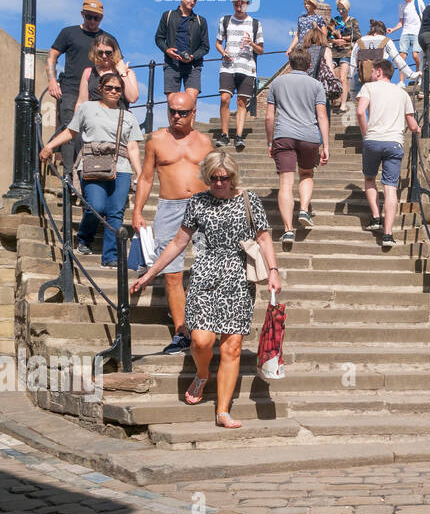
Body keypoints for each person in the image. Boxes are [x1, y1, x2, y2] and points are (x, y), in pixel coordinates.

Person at [130, 150, 281, 430]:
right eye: (213, 178)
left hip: (238, 278)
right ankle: (202, 374)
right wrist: (150, 273)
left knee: (232, 347)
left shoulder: (249, 200)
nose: (219, 183)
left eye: (224, 178)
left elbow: (263, 238)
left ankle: (223, 411)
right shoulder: (198, 201)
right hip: (204, 275)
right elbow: (179, 242)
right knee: (201, 341)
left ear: (233, 176)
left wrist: (273, 270)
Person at [131, 90, 214, 354]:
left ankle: (203, 323)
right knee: (172, 272)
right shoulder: (156, 140)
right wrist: (137, 211)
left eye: (182, 112)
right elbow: (146, 178)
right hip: (170, 208)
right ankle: (181, 331)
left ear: (193, 113)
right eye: (172, 111)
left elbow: (217, 178)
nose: (176, 116)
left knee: (206, 266)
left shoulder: (205, 142)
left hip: (202, 206)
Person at [39, 70, 142, 266]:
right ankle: (85, 237)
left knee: (116, 212)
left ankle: (110, 257)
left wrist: (140, 172)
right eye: (109, 87)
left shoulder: (128, 116)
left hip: (121, 167)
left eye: (118, 89)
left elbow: (133, 147)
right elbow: (71, 132)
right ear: (100, 88)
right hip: (92, 162)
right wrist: (50, 146)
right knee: (96, 206)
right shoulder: (87, 108)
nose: (113, 91)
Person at [46, 0, 122, 171]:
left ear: (102, 18)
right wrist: (52, 80)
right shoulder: (68, 33)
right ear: (82, 14)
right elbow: (52, 57)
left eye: (97, 18)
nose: (93, 21)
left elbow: (119, 63)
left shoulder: (108, 40)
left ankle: (89, 171)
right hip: (71, 90)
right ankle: (69, 175)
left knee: (96, 132)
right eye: (89, 16)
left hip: (97, 92)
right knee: (70, 129)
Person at [264, 48, 330, 244]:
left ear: (290, 63)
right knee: (307, 174)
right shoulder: (316, 85)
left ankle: (288, 230)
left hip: (283, 135)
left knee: (285, 183)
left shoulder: (277, 83)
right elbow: (322, 116)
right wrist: (326, 145)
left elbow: (269, 117)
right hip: (309, 136)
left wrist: (270, 141)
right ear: (309, 65)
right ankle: (303, 209)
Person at [357, 59, 418, 251]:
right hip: (394, 142)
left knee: (369, 178)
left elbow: (360, 112)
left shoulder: (368, 87)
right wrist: (419, 130)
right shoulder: (402, 93)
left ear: (379, 71)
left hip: (373, 140)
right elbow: (412, 125)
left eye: (373, 71)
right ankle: (388, 234)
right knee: (390, 187)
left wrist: (366, 134)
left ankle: (376, 217)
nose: (371, 74)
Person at [214, 0, 264, 150]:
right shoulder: (225, 20)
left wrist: (251, 43)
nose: (239, 7)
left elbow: (261, 50)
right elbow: (218, 43)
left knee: (242, 102)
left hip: (247, 68)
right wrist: (223, 53)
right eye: (236, 4)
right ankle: (224, 134)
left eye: (241, 4)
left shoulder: (255, 24)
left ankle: (239, 136)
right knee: (224, 99)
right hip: (227, 66)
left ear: (247, 4)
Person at [154, 0, 209, 96]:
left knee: (191, 101)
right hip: (172, 64)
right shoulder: (167, 15)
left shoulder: (201, 21)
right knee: (173, 102)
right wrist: (167, 50)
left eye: (195, 0)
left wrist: (193, 57)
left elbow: (205, 47)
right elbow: (159, 38)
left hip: (193, 66)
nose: (192, 2)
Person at [75, 38, 138, 110]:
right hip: (94, 114)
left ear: (115, 52)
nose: (104, 56)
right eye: (100, 53)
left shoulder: (128, 73)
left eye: (108, 53)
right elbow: (81, 102)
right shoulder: (88, 72)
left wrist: (122, 73)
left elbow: (133, 98)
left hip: (118, 114)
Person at [354, 19, 417, 87]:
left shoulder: (359, 42)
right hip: (379, 82)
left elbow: (353, 66)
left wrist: (352, 89)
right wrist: (411, 75)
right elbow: (398, 61)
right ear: (383, 32)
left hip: (363, 83)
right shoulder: (386, 41)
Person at [387, 0, 424, 79]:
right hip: (405, 32)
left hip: (417, 32)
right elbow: (401, 23)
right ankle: (401, 82)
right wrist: (393, 29)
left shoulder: (418, 2)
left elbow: (424, 17)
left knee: (416, 56)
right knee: (401, 58)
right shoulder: (401, 6)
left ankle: (419, 76)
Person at [329, 0, 361, 108]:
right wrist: (335, 40)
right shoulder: (335, 20)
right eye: (338, 9)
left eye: (342, 9)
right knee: (330, 75)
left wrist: (343, 38)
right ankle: (333, 98)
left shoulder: (353, 21)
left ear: (347, 8)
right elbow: (328, 36)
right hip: (334, 52)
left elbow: (357, 36)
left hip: (346, 52)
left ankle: (342, 104)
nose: (340, 11)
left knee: (343, 77)